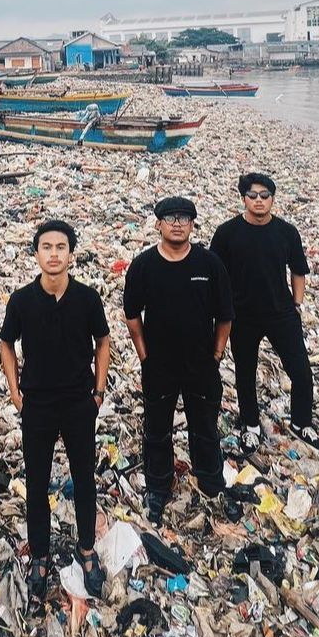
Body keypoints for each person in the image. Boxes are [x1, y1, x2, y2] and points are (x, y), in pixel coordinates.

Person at [0, 220, 110, 600]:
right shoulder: (22, 300)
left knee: (84, 478)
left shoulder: (87, 298)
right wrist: (15, 391)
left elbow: (103, 341)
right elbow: (6, 344)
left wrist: (98, 391)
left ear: (71, 254)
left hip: (79, 401)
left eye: (61, 247)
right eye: (46, 247)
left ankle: (86, 549)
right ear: (37, 254)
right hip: (38, 404)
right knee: (37, 482)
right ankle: (40, 556)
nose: (54, 254)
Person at [124, 196, 234, 526]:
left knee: (205, 427)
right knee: (157, 430)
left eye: (184, 218)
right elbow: (131, 314)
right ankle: (158, 486)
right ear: (158, 223)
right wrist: (144, 355)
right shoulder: (144, 265)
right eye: (170, 217)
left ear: (192, 224)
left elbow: (225, 315)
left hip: (201, 364)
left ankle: (211, 483)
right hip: (159, 365)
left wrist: (216, 353)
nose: (177, 223)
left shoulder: (209, 264)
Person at [210, 172, 319, 453]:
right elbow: (215, 274)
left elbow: (298, 270)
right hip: (242, 315)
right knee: (245, 372)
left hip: (281, 312)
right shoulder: (227, 233)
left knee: (300, 370)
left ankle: (301, 422)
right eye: (253, 196)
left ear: (272, 198)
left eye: (264, 196)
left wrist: (297, 304)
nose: (259, 201)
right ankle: (250, 425)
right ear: (243, 199)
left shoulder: (286, 232)